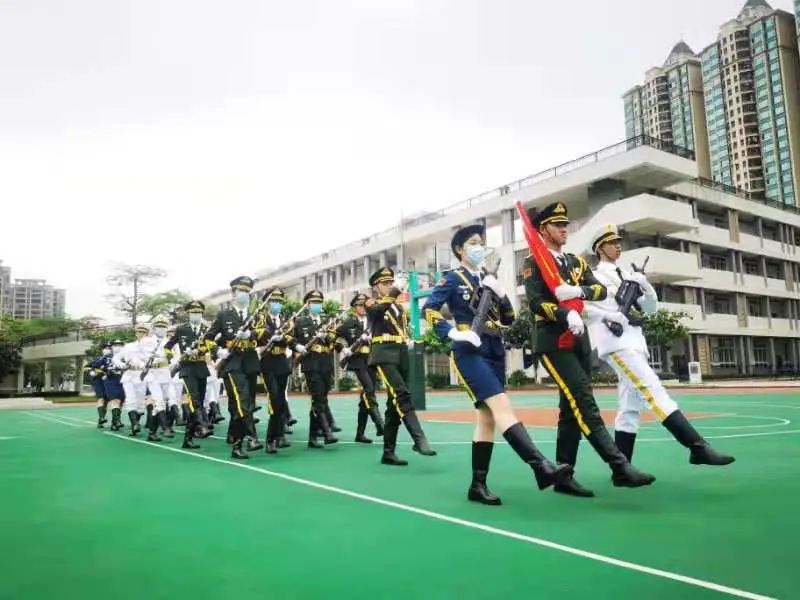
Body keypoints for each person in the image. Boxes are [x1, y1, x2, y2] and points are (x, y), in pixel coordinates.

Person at [423, 224, 571, 504]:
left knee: (487, 419)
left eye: (481, 242)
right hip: (469, 348)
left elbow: (508, 319)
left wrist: (499, 292)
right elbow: (429, 309)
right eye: (473, 243)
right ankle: (541, 467)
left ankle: (477, 485)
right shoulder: (453, 278)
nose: (479, 247)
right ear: (459, 250)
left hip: (494, 347)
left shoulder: (487, 279)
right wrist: (452, 332)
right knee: (502, 408)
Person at [522, 202, 655, 497]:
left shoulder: (575, 263)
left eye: (566, 224)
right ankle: (619, 465)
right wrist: (563, 313)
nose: (564, 229)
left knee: (570, 410)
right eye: (558, 225)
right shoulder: (534, 262)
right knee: (583, 400)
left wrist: (578, 293)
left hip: (579, 338)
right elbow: (535, 302)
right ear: (543, 230)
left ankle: (563, 475)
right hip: (553, 340)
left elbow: (599, 290)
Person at [586, 225, 734, 467]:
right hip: (617, 342)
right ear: (600, 248)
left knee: (629, 408)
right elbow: (604, 306)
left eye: (619, 241)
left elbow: (650, 309)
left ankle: (622, 468)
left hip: (635, 342)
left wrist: (645, 285)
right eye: (612, 242)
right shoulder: (595, 276)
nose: (618, 246)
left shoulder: (627, 274)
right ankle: (697, 447)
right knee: (653, 390)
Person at [367, 266, 435, 466]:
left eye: (391, 283)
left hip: (402, 353)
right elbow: (379, 311)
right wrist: (397, 290)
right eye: (385, 283)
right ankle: (419, 438)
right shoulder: (372, 304)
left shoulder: (399, 308)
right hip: (383, 353)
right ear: (376, 287)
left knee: (393, 405)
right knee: (401, 394)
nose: (389, 286)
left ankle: (388, 452)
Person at [204, 276, 264, 459]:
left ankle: (236, 438)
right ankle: (250, 438)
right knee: (242, 401)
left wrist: (251, 333)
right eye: (240, 291)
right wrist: (217, 352)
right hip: (232, 364)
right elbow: (208, 337)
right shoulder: (224, 315)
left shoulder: (257, 315)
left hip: (251, 363)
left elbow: (264, 335)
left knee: (247, 403)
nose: (243, 294)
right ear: (233, 293)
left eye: (247, 291)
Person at [256, 287, 305, 453]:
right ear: (267, 303)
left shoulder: (286, 320)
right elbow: (258, 333)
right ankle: (271, 439)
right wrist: (272, 336)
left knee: (281, 401)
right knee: (275, 398)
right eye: (273, 301)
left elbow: (290, 336)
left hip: (282, 363)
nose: (276, 305)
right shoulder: (261, 318)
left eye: (279, 302)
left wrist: (295, 344)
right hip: (268, 362)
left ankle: (279, 436)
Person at [165, 300, 215, 449]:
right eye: (193, 312)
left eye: (198, 312)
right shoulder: (181, 330)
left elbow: (212, 346)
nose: (196, 315)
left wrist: (203, 350)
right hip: (187, 368)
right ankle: (202, 424)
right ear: (188, 314)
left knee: (199, 398)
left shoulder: (207, 330)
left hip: (201, 366)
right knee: (193, 398)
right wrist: (172, 360)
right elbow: (167, 347)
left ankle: (188, 438)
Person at [336, 293, 384, 443]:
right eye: (359, 305)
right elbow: (333, 336)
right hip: (357, 360)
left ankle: (360, 433)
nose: (362, 308)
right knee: (369, 390)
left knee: (366, 396)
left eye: (364, 305)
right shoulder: (349, 323)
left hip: (372, 359)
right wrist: (342, 348)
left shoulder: (373, 321)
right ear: (354, 308)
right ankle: (379, 423)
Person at [293, 290, 339, 448]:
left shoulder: (327, 321)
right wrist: (297, 347)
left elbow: (333, 339)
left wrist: (326, 336)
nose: (317, 305)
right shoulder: (300, 322)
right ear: (307, 305)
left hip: (325, 362)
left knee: (321, 399)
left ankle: (313, 437)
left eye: (319, 303)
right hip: (310, 364)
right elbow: (291, 339)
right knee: (318, 397)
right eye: (314, 303)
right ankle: (327, 433)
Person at [140, 315, 176, 442]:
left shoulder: (171, 342)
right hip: (152, 374)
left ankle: (152, 432)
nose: (161, 329)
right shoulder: (146, 341)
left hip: (166, 374)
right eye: (159, 326)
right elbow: (144, 356)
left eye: (164, 326)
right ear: (154, 328)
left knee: (164, 402)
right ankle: (166, 427)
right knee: (159, 401)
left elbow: (176, 358)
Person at [116, 323, 149, 436]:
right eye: (139, 332)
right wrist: (122, 365)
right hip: (129, 375)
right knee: (130, 400)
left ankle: (135, 424)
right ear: (136, 333)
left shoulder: (151, 347)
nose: (141, 334)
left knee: (140, 403)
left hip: (142, 376)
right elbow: (116, 358)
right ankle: (134, 424)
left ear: (147, 333)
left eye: (143, 332)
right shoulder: (128, 346)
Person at [103, 340, 127, 431]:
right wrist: (106, 371)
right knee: (115, 401)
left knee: (120, 402)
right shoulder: (107, 357)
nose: (117, 347)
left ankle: (116, 421)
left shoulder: (126, 356)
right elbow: (98, 367)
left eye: (120, 345)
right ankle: (115, 422)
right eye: (115, 345)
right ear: (112, 347)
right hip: (111, 381)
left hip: (123, 381)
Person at [87, 343, 111, 428]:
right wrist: (93, 373)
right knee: (101, 399)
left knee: (107, 400)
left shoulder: (114, 359)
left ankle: (102, 420)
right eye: (105, 348)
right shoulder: (97, 359)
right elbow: (87, 368)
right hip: (99, 381)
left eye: (109, 348)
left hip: (109, 381)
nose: (107, 349)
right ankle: (101, 418)